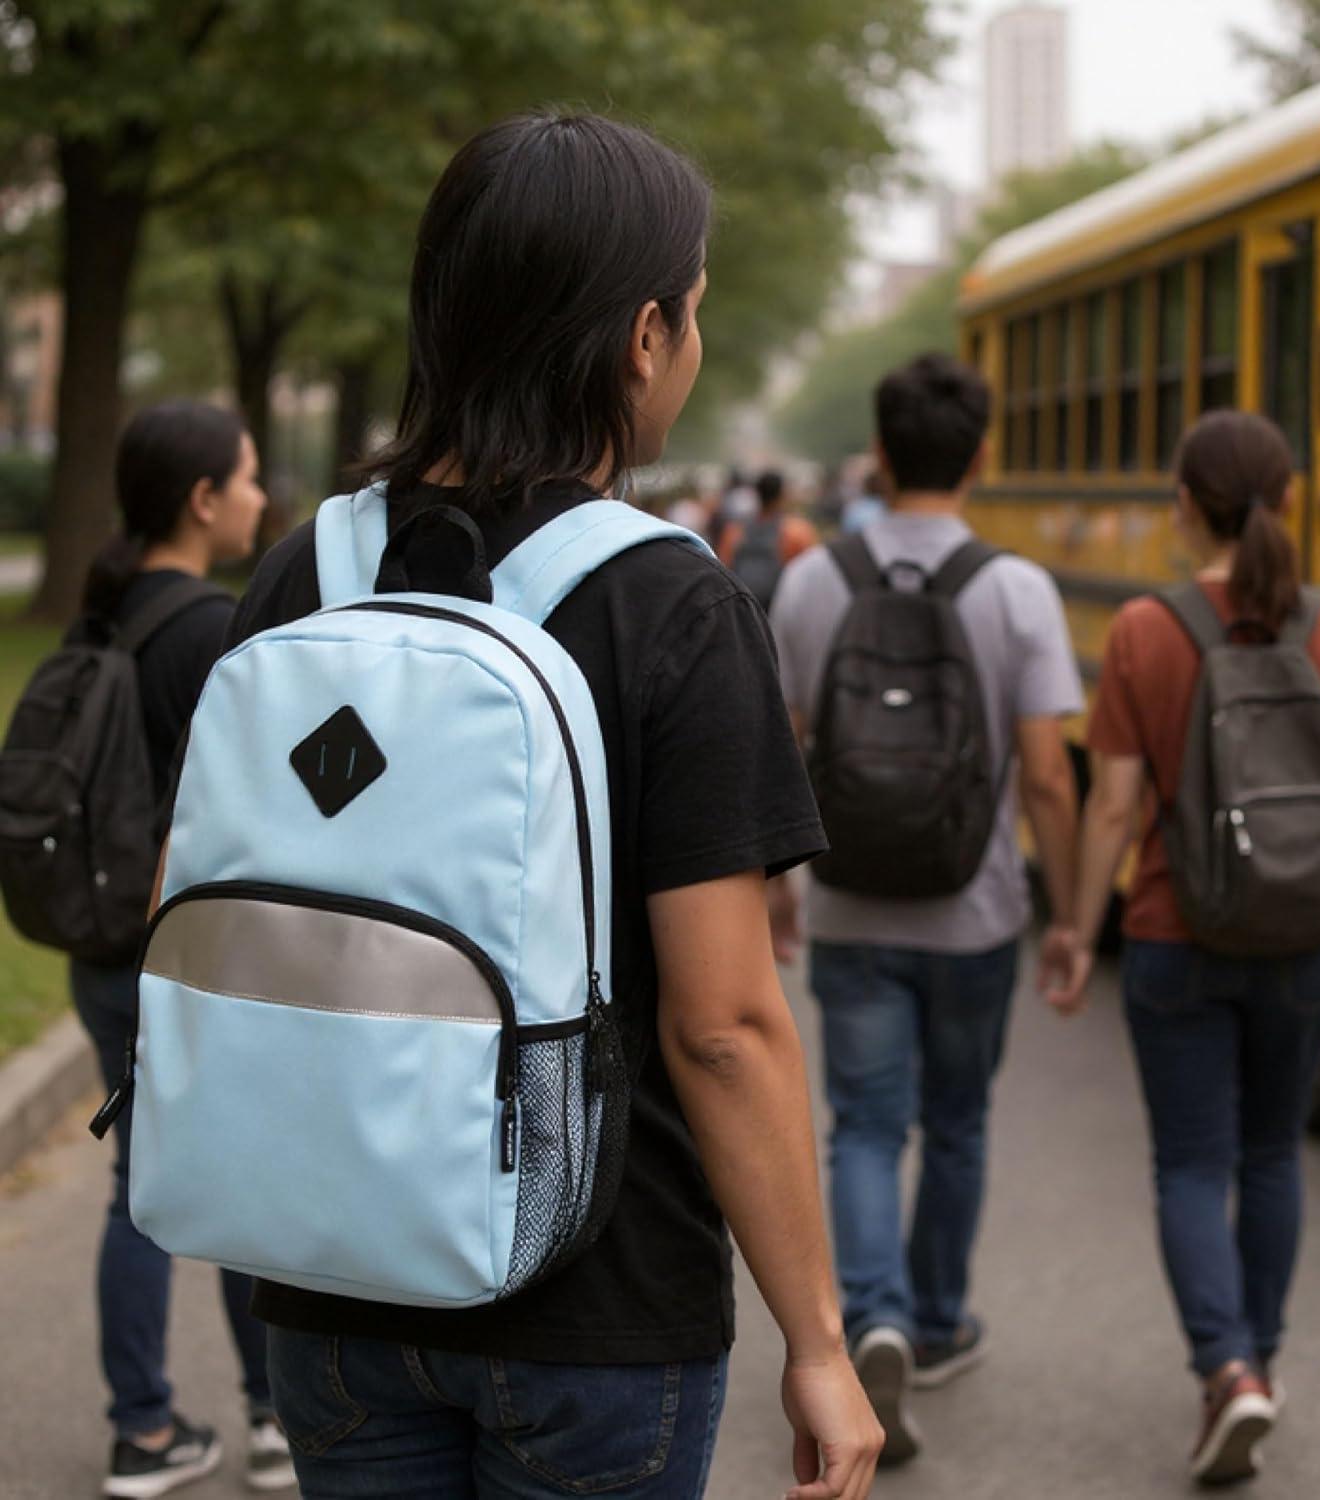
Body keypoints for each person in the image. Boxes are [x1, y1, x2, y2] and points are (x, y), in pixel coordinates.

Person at [203, 114, 882, 1500]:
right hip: (597, 1302)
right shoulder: (672, 602)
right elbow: (725, 1026)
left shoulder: (302, 576)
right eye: (691, 313)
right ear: (644, 337)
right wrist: (819, 1336)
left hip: (330, 1282)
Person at [1047, 409, 1320, 1484]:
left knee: (1190, 1162)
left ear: (1183, 503)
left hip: (1178, 936)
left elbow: (1114, 811)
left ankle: (1227, 1371)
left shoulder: (1144, 629)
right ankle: (1259, 1357)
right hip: (1311, 939)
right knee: (1271, 1156)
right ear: (1292, 503)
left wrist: (1079, 933)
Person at [770, 352, 1083, 1464]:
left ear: (883, 452)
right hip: (976, 910)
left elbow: (779, 747)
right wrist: (1071, 913)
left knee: (864, 1122)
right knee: (957, 1122)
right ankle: (940, 1319)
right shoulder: (1018, 589)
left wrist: (778, 887)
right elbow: (1048, 774)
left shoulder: (815, 580)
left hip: (852, 904)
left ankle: (876, 1315)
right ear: (983, 456)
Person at [70, 400, 290, 1496]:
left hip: (99, 950)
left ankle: (150, 1426)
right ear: (204, 500)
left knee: (139, 1190)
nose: (260, 496)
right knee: (241, 1182)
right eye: (248, 478)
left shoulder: (101, 614)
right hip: (187, 953)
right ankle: (251, 1420)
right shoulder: (213, 628)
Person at [720, 469, 818, 611]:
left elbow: (724, 568)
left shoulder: (735, 531)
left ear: (756, 494)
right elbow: (808, 579)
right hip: (779, 609)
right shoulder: (796, 532)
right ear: (783, 494)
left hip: (745, 610)